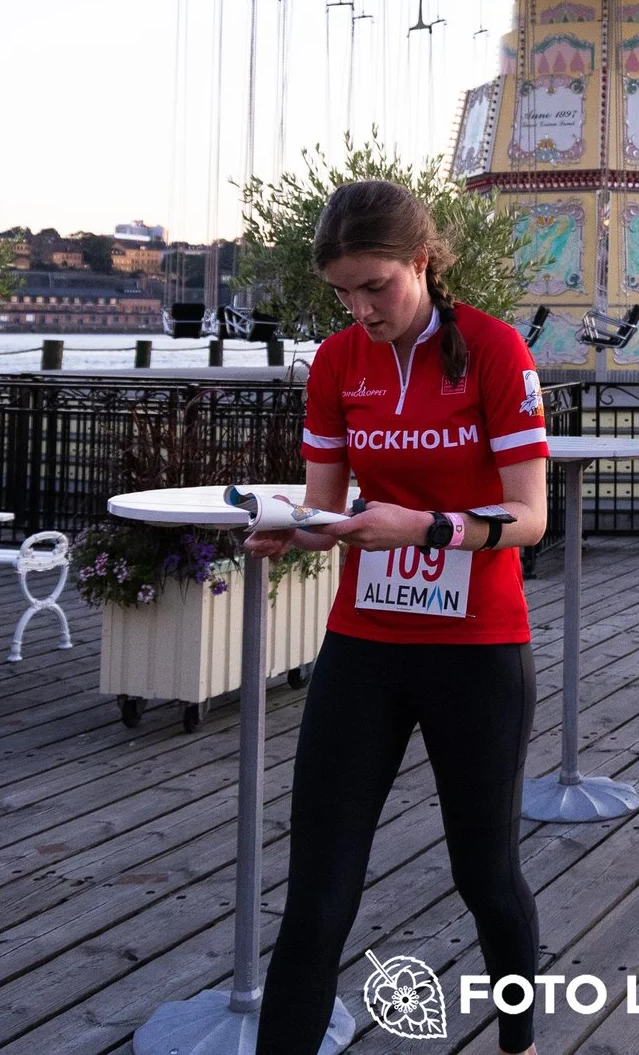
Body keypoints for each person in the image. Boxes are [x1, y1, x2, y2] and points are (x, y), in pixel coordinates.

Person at [244, 180, 549, 1055]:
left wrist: (423, 527)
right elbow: (326, 503)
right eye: (343, 291)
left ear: (422, 260)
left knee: (484, 873)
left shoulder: (494, 350)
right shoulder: (339, 362)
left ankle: (519, 1040)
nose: (360, 307)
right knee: (317, 892)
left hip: (478, 645)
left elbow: (529, 517)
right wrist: (294, 530)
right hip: (365, 644)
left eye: (375, 285)